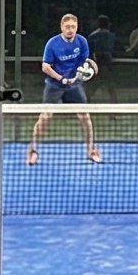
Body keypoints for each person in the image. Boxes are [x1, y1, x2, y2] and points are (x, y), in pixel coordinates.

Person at [27, 12, 102, 165]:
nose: (70, 30)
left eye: (73, 27)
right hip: (54, 85)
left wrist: (78, 76)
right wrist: (61, 79)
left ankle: (91, 151)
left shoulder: (82, 42)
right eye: (67, 27)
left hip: (74, 86)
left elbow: (83, 63)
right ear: (62, 27)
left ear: (77, 27)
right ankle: (33, 151)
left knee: (85, 117)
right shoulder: (52, 44)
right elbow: (45, 67)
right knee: (45, 117)